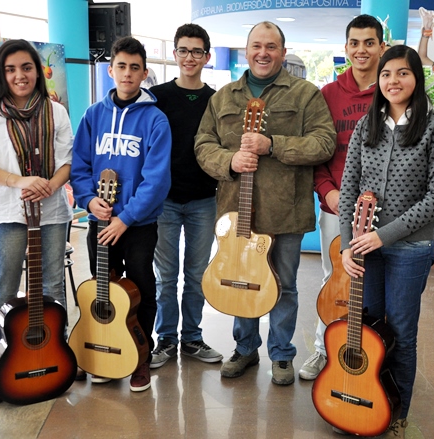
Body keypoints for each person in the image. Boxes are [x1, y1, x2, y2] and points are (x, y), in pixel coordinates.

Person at [195, 21, 336, 386]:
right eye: (256, 45)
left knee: (284, 285)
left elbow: (324, 142)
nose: (263, 53)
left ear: (283, 53)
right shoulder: (223, 97)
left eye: (271, 46)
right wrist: (228, 161)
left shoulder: (306, 94)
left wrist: (273, 145)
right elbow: (203, 144)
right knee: (240, 278)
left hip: (285, 211)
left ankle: (281, 354)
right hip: (235, 210)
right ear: (246, 50)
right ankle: (244, 349)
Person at [337, 45, 434, 437]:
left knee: (401, 331)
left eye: (402, 73)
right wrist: (345, 245)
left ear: (416, 78)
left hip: (410, 250)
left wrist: (380, 235)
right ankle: (366, 394)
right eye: (386, 74)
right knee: (367, 329)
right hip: (363, 250)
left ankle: (398, 407)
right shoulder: (365, 127)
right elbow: (348, 188)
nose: (393, 81)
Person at [0, 39, 74, 404]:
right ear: (1, 73)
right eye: (10, 69)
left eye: (26, 67)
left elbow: (67, 160)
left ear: (37, 71)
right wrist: (18, 181)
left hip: (53, 213)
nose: (19, 75)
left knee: (53, 287)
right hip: (7, 214)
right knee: (5, 290)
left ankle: (54, 359)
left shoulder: (55, 112)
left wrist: (50, 187)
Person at [70, 36, 172, 392]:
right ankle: (103, 349)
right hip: (99, 220)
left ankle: (141, 356)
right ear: (110, 69)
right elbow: (79, 165)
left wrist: (125, 218)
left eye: (135, 67)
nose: (127, 73)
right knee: (104, 288)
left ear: (144, 73)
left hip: (138, 224)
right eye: (121, 66)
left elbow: (156, 179)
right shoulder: (93, 116)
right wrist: (87, 200)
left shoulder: (155, 120)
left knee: (141, 287)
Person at [299, 14, 385, 381]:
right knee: (334, 281)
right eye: (354, 43)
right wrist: (327, 192)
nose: (361, 50)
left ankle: (376, 356)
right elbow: (318, 152)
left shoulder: (395, 90)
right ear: (346, 47)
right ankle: (324, 351)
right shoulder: (328, 95)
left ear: (382, 46)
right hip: (337, 207)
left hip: (386, 214)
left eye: (369, 42)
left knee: (379, 285)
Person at [149, 23, 222, 368]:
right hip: (163, 200)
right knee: (166, 276)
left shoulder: (216, 100)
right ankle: (165, 340)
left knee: (196, 274)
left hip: (204, 199)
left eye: (197, 51)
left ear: (207, 57)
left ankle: (192, 337)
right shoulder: (156, 97)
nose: (189, 57)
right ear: (174, 54)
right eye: (183, 50)